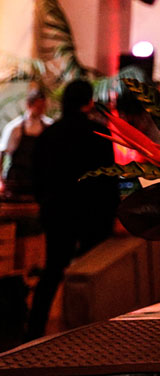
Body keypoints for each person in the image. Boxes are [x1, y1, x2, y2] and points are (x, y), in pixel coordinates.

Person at [28, 79, 119, 339]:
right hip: (93, 214)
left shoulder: (49, 135)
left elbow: (37, 178)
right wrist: (112, 214)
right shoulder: (100, 134)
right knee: (92, 273)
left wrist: (45, 204)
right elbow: (109, 180)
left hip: (58, 213)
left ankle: (34, 330)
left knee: (52, 270)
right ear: (89, 102)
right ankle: (89, 331)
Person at [0, 88, 51, 200]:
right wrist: (1, 181)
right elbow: (2, 154)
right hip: (17, 180)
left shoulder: (49, 126)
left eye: (43, 107)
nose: (41, 110)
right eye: (38, 107)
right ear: (29, 105)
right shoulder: (15, 127)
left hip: (39, 179)